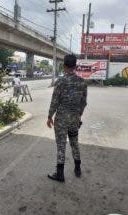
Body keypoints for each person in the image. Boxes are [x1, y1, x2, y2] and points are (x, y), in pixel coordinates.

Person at [46, 54, 87, 182]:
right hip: (74, 120)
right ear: (75, 66)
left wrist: (49, 116)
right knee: (74, 143)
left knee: (61, 146)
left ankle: (60, 174)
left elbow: (55, 101)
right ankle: (78, 169)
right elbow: (83, 102)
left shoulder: (60, 81)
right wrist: (78, 115)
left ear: (64, 66)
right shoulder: (82, 82)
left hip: (62, 120)